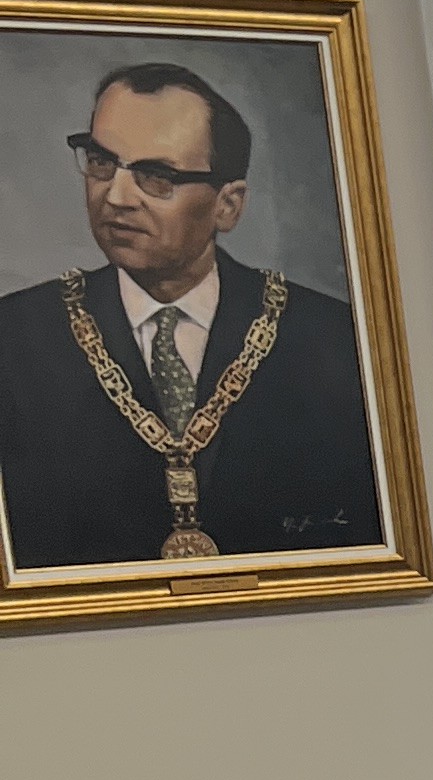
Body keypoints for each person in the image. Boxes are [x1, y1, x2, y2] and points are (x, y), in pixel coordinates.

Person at [0, 62, 381, 568]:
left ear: (228, 206)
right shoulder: (15, 337)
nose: (116, 197)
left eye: (157, 176)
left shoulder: (334, 339)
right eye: (101, 162)